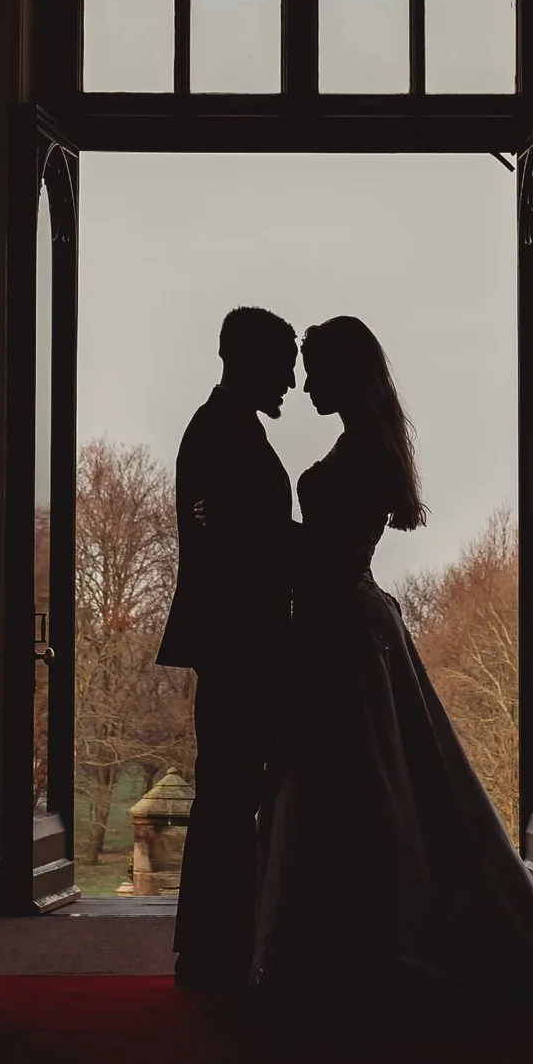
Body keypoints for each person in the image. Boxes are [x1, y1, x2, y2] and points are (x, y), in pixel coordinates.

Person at [252, 316, 533, 1002]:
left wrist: (269, 540)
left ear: (345, 372)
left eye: (315, 370)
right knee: (367, 778)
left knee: (348, 779)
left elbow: (328, 556)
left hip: (341, 623)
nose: (304, 385)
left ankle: (352, 948)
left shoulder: (361, 451)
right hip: (353, 618)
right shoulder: (367, 445)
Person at [156, 306, 299, 987]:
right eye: (285, 363)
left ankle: (214, 943)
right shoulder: (220, 432)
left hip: (240, 638)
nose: (294, 381)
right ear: (248, 361)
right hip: (240, 639)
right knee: (228, 789)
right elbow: (244, 539)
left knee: (229, 787)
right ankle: (214, 949)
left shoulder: (224, 427)